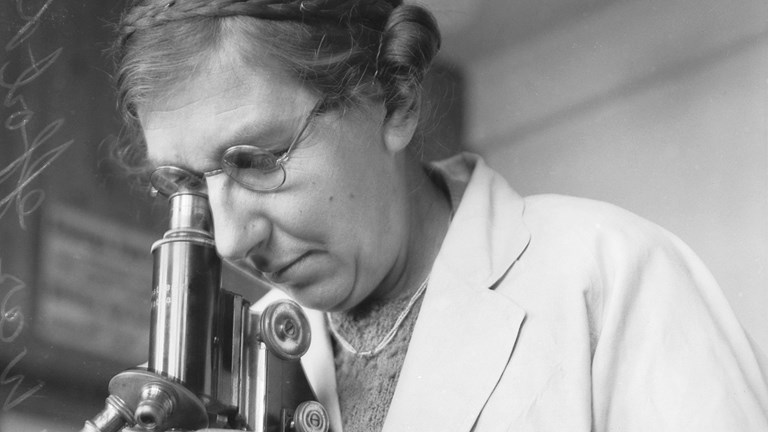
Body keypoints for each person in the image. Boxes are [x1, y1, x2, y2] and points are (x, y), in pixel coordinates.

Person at [111, 0, 768, 430]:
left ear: (395, 100)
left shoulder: (609, 276)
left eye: (255, 159)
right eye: (187, 183)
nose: (229, 240)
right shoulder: (248, 355)